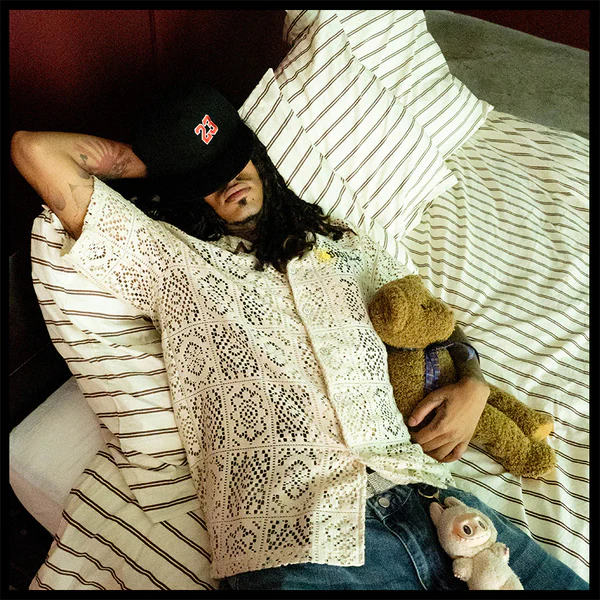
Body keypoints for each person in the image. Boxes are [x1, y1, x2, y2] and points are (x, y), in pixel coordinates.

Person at [11, 81, 588, 591]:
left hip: (438, 507)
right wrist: (164, 161)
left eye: (232, 159)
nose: (227, 180)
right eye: (205, 180)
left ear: (257, 154)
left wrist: (474, 384)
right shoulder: (170, 262)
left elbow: (430, 316)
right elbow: (35, 150)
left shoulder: (337, 243)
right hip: (302, 541)